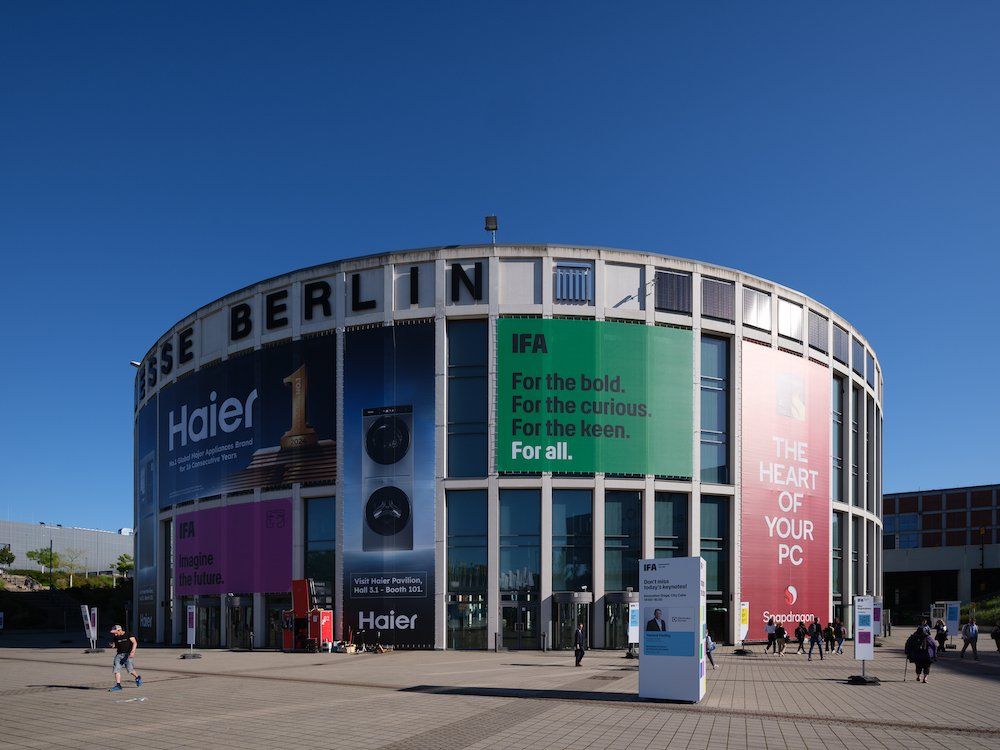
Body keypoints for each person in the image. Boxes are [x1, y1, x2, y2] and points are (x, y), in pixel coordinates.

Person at [108, 624, 142, 692]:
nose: (115, 634)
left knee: (130, 670)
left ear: (119, 630)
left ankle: (137, 678)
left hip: (127, 655)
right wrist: (112, 645)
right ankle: (118, 685)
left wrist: (133, 652)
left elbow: (135, 643)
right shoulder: (116, 637)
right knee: (116, 669)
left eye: (115, 633)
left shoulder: (128, 634)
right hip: (119, 655)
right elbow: (115, 645)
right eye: (114, 633)